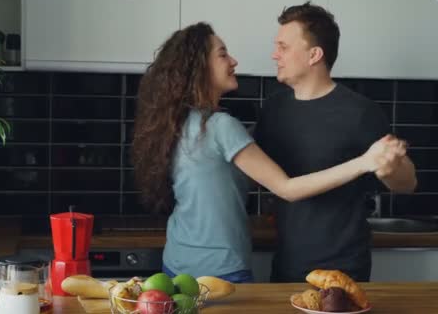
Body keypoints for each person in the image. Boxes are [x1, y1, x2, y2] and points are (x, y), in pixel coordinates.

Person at [131, 22, 405, 283]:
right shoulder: (221, 126)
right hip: (219, 270)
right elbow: (286, 188)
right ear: (199, 67)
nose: (233, 61)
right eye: (223, 54)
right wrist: (365, 161)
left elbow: (221, 171)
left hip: (176, 261)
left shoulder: (180, 121)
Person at [255, 1, 418, 283]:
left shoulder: (360, 113)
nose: (274, 55)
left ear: (314, 55)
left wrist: (390, 169)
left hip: (343, 268)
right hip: (286, 263)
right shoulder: (273, 109)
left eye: (283, 47)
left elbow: (408, 183)